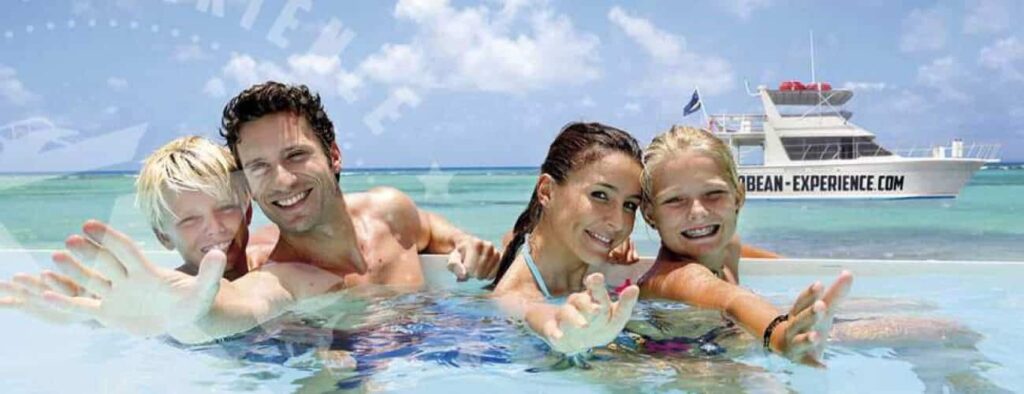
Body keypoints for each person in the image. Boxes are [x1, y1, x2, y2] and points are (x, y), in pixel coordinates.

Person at [9, 81, 501, 344]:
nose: (282, 181)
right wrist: (181, 314)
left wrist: (466, 246)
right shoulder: (277, 268)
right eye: (259, 167)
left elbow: (436, 230)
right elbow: (239, 303)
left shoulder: (391, 210)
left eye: (295, 156)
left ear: (334, 156)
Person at [489, 122, 851, 366]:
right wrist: (780, 333)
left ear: (739, 197)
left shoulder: (595, 257)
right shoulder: (517, 293)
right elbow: (537, 313)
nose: (617, 221)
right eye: (600, 195)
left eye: (628, 204)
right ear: (547, 191)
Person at [0, 136, 270, 323]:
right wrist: (75, 315)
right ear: (163, 236)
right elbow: (119, 312)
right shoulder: (159, 293)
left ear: (247, 210)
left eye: (225, 208)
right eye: (189, 220)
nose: (215, 227)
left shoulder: (276, 264)